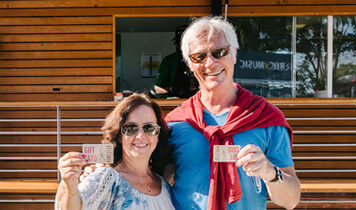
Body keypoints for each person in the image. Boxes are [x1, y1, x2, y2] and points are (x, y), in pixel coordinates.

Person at [164, 16, 301, 210]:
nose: (210, 63)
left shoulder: (266, 118)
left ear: (234, 54)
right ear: (190, 64)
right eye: (199, 56)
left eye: (220, 52)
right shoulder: (175, 123)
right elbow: (155, 181)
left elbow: (291, 200)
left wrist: (270, 173)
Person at [55, 93, 174, 210]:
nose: (140, 136)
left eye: (150, 128)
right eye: (130, 128)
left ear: (158, 135)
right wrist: (69, 186)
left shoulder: (164, 186)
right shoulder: (106, 179)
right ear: (119, 136)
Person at [153, 25, 199, 99]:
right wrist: (171, 93)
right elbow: (158, 88)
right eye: (179, 40)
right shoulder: (169, 60)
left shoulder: (201, 58)